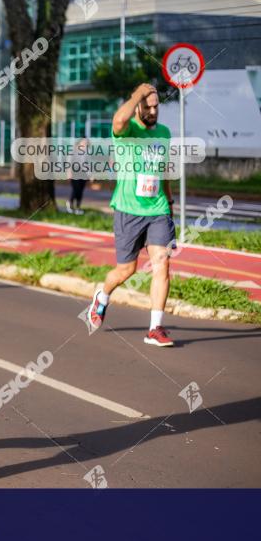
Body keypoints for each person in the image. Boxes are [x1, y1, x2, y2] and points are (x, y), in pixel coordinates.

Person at [86, 82, 175, 347]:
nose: (153, 111)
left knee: (163, 263)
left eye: (156, 106)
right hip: (127, 209)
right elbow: (119, 118)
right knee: (126, 269)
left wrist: (169, 200)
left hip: (157, 208)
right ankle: (102, 296)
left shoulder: (164, 133)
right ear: (137, 105)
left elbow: (165, 169)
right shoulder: (126, 130)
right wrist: (138, 93)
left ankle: (155, 328)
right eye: (147, 106)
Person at [67, 137, 89, 215]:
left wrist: (90, 175)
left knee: (80, 191)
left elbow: (87, 165)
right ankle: (70, 204)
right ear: (80, 142)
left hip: (83, 174)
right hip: (75, 172)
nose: (86, 144)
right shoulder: (74, 151)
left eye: (87, 143)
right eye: (84, 142)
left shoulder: (86, 153)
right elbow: (69, 162)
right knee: (76, 189)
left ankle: (78, 207)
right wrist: (69, 173)